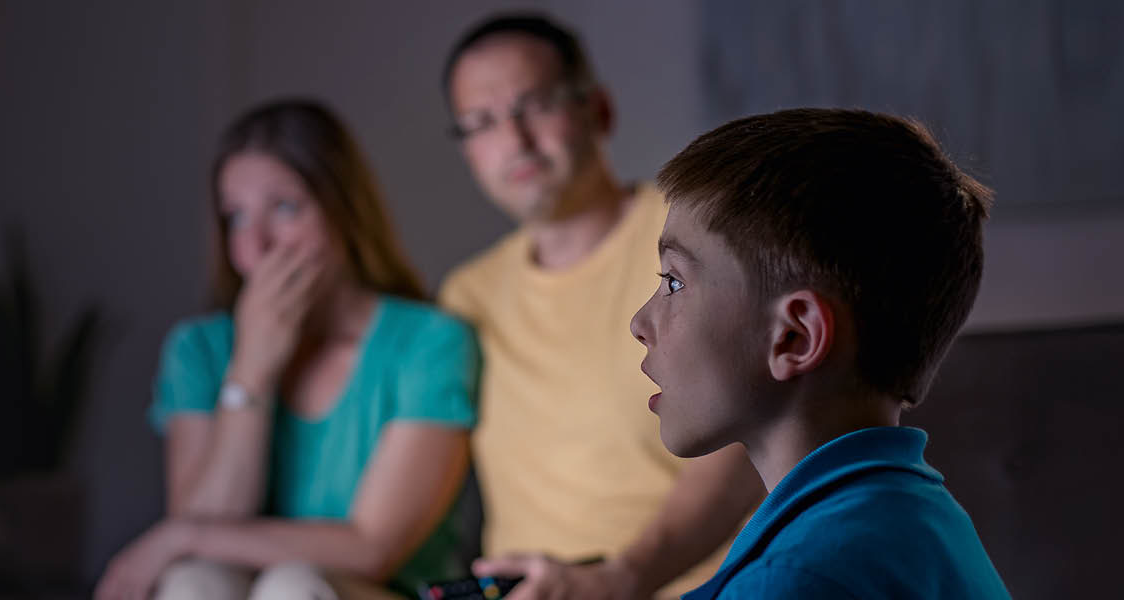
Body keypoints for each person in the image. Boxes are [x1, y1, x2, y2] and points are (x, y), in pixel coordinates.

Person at [95, 100, 480, 600]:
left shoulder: (429, 342)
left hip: (374, 592)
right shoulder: (200, 350)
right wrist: (251, 374)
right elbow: (203, 550)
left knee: (293, 586)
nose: (256, 245)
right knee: (191, 581)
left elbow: (373, 550)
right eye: (235, 216)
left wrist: (178, 532)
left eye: (285, 208)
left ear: (344, 210)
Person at [437, 14, 765, 598]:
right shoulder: (467, 296)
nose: (515, 140)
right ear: (466, 152)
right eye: (481, 123)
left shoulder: (692, 238)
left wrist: (621, 580)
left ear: (600, 110)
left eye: (535, 105)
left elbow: (748, 441)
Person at [630, 108, 1011, 598]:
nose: (639, 324)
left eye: (674, 282)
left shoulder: (796, 580)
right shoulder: (919, 518)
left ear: (795, 337)